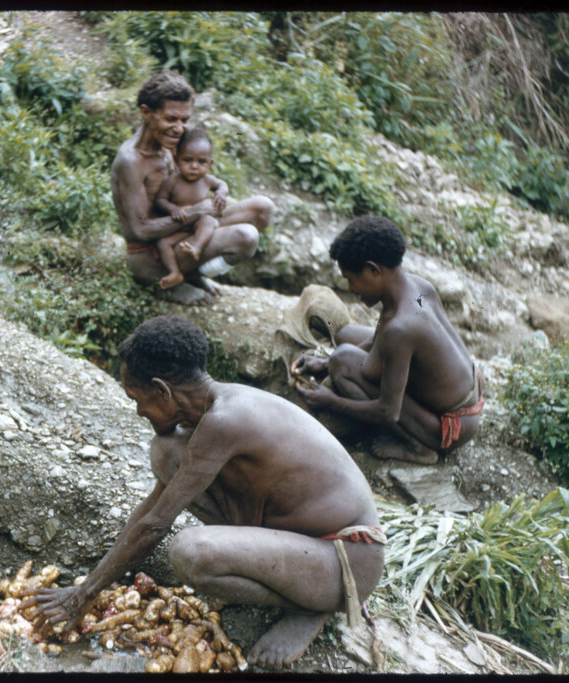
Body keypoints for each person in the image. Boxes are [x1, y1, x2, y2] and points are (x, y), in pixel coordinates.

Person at [22, 315, 384, 670]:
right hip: (302, 540)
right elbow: (154, 510)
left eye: (138, 398)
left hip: (345, 559)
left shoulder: (226, 419)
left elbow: (156, 525)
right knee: (167, 453)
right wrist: (91, 583)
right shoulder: (214, 410)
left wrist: (83, 595)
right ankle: (288, 579)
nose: (138, 410)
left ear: (162, 390)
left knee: (189, 551)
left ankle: (308, 607)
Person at [291, 216, 483, 465]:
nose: (351, 288)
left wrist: (332, 401)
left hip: (449, 427)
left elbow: (387, 411)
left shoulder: (401, 329)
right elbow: (381, 338)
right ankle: (337, 365)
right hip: (463, 395)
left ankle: (418, 448)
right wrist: (324, 364)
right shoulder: (416, 287)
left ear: (373, 270)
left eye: (351, 279)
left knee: (343, 361)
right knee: (345, 339)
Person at [111, 71, 274, 305]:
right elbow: (140, 230)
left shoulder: (172, 142)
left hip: (184, 232)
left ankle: (193, 273)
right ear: (146, 113)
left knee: (262, 208)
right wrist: (197, 211)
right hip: (152, 256)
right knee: (246, 236)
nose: (179, 128)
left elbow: (199, 173)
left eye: (184, 120)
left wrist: (220, 191)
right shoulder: (132, 161)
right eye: (171, 119)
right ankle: (169, 281)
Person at [152, 126, 227, 289]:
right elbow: (160, 200)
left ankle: (197, 247)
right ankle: (175, 273)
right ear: (177, 159)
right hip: (179, 227)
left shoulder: (207, 180)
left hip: (198, 225)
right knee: (163, 243)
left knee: (208, 220)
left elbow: (222, 184)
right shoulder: (172, 181)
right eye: (187, 160)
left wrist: (221, 192)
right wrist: (173, 209)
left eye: (201, 162)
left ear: (210, 163)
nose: (194, 166)